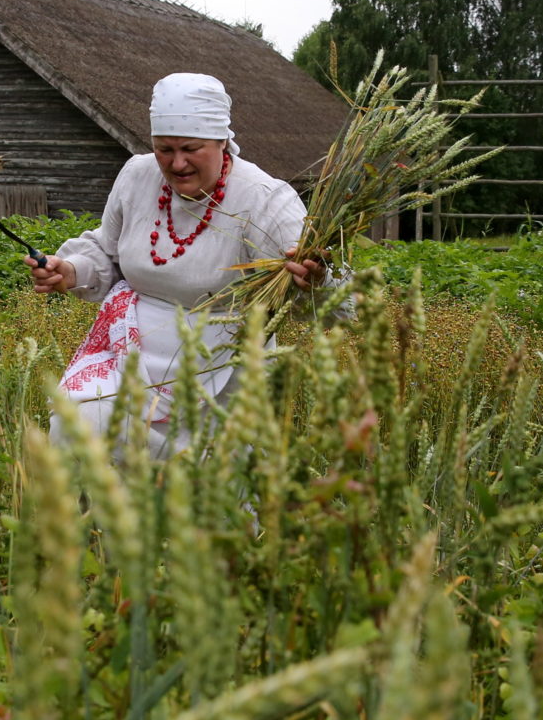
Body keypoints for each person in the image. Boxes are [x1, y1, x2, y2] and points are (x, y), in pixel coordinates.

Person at [25, 72, 336, 457]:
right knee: (81, 426)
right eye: (164, 149)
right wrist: (70, 271)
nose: (177, 163)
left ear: (223, 141)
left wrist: (315, 281)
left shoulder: (265, 201)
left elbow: (329, 297)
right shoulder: (139, 176)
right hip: (131, 350)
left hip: (219, 367)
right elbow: (108, 252)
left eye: (191, 148)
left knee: (204, 484)